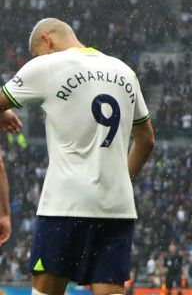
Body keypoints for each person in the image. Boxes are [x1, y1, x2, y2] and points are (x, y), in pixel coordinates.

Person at [0, 18, 155, 295]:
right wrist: (120, 179)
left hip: (65, 205)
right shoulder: (124, 71)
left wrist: (5, 110)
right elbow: (146, 140)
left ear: (47, 40)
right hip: (117, 206)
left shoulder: (47, 66)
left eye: (37, 53)